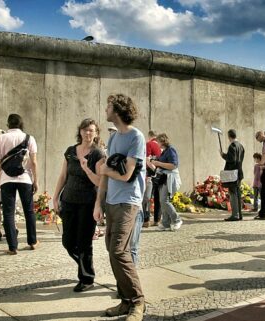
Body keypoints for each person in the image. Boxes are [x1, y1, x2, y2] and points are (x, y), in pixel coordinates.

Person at [93, 94, 146, 320]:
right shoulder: (114, 139)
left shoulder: (136, 137)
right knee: (112, 251)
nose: (105, 109)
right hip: (112, 201)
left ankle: (138, 302)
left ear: (118, 110)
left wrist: (104, 170)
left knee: (119, 251)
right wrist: (99, 202)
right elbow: (105, 175)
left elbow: (126, 175)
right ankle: (125, 301)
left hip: (129, 201)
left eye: (108, 105)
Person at [53, 118, 105, 293]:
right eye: (85, 130)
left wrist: (86, 169)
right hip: (68, 201)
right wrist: (55, 198)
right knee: (68, 241)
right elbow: (63, 176)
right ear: (80, 131)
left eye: (91, 130)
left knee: (84, 242)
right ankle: (85, 265)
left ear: (96, 133)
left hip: (87, 203)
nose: (88, 133)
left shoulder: (98, 154)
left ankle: (86, 278)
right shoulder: (70, 151)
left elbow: (100, 181)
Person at [0, 114, 39, 255]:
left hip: (6, 179)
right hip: (25, 178)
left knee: (8, 212)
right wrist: (35, 180)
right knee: (29, 210)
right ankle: (32, 242)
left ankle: (12, 246)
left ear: (8, 124)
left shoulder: (1, 138)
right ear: (21, 124)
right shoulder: (29, 138)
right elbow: (34, 162)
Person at [151, 133, 183, 231]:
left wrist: (158, 163)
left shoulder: (170, 150)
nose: (157, 144)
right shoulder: (165, 151)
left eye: (158, 142)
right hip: (163, 178)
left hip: (169, 178)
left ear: (162, 141)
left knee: (164, 200)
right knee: (162, 200)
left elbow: (173, 165)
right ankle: (166, 223)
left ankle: (177, 219)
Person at [221, 129, 245, 221]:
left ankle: (235, 215)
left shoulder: (232, 146)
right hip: (239, 172)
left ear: (229, 136)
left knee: (233, 194)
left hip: (233, 173)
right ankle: (239, 214)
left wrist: (223, 155)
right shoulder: (241, 146)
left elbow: (232, 159)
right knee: (237, 194)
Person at [143, 130, 162, 228]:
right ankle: (157, 220)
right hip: (161, 175)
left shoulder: (149, 144)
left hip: (150, 175)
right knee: (158, 198)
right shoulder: (161, 146)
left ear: (150, 136)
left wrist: (154, 170)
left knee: (147, 197)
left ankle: (146, 221)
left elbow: (147, 159)